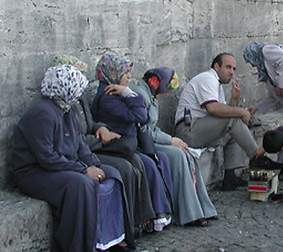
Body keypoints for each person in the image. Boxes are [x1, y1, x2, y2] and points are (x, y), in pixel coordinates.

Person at [13, 65, 137, 252]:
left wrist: (93, 164)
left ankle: (114, 236)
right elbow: (46, 157)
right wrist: (83, 170)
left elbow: (79, 143)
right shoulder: (42, 113)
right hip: (34, 172)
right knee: (81, 184)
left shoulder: (66, 109)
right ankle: (83, 250)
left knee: (111, 173)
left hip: (60, 165)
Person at [52, 54, 155, 235]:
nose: (129, 77)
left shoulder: (79, 99)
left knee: (138, 162)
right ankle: (126, 226)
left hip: (94, 146)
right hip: (89, 150)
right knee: (124, 168)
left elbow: (91, 123)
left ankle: (139, 220)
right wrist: (100, 138)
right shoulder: (105, 97)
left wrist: (102, 128)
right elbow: (71, 140)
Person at [91, 52, 174, 232]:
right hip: (118, 148)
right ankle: (149, 216)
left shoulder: (114, 93)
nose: (129, 77)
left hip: (129, 145)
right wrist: (128, 93)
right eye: (125, 73)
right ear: (113, 74)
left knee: (160, 160)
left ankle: (162, 210)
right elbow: (141, 116)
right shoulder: (108, 97)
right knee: (147, 165)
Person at [129, 67, 218, 226]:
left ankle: (200, 208)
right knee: (177, 155)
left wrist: (171, 140)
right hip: (143, 143)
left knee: (185, 153)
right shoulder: (142, 95)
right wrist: (170, 140)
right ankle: (189, 213)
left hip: (150, 139)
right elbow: (144, 130)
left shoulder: (150, 95)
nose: (168, 93)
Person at [174, 53, 264, 191]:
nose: (231, 72)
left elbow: (224, 115)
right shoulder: (207, 78)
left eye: (234, 69)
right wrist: (241, 112)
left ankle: (230, 177)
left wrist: (234, 100)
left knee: (236, 129)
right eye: (228, 67)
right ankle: (257, 156)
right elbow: (213, 109)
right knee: (235, 118)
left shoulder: (217, 85)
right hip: (188, 130)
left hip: (200, 129)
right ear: (216, 66)